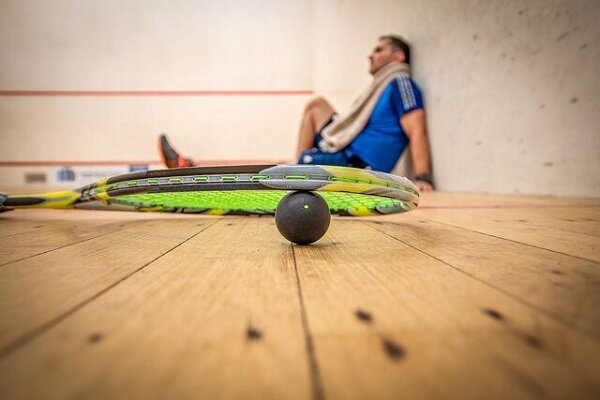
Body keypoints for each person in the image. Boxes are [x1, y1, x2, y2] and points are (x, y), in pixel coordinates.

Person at [159, 34, 434, 191]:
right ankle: (298, 165)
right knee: (316, 105)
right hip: (345, 151)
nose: (370, 55)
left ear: (398, 57)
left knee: (272, 169)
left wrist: (423, 177)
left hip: (356, 164)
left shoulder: (400, 82)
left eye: (379, 50)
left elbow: (417, 128)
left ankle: (190, 167)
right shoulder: (383, 87)